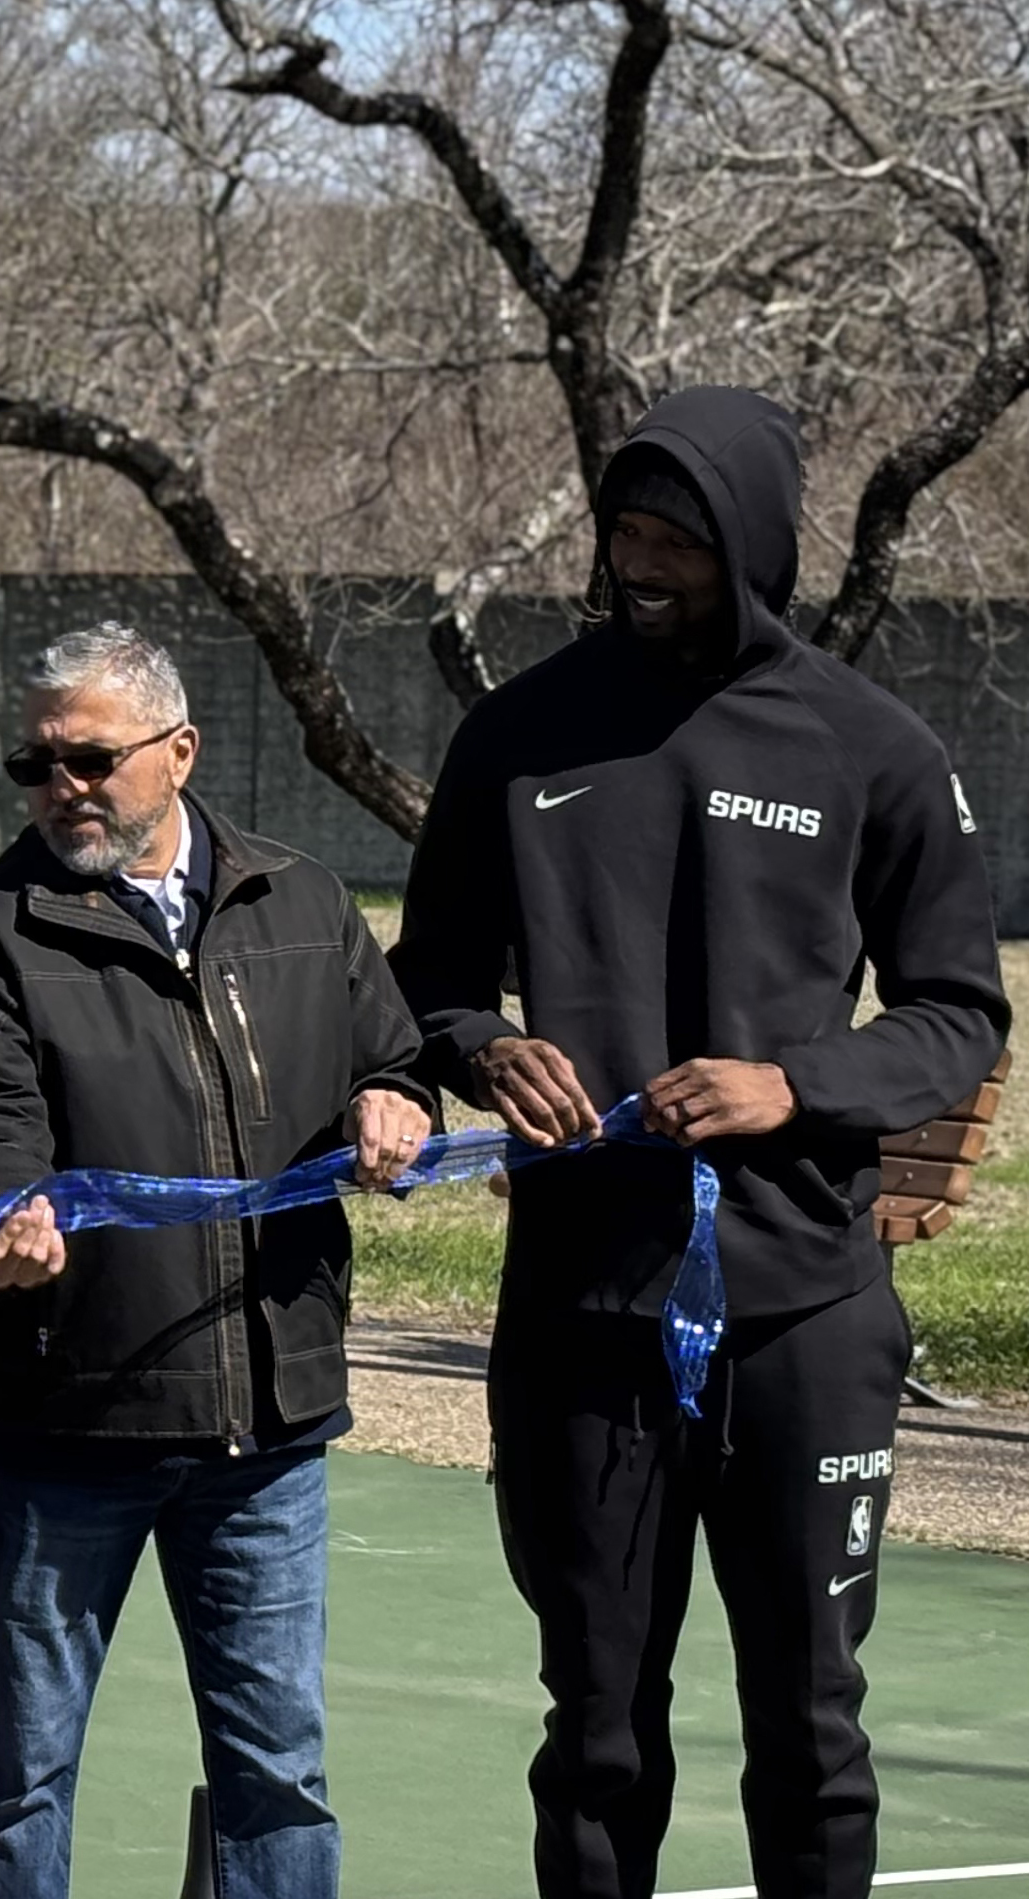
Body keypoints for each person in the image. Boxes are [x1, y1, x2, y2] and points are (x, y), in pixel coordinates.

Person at [391, 387, 1009, 1899]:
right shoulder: (519, 730)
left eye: (680, 537)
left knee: (806, 1726)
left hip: (803, 1312)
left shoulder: (865, 743)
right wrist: (482, 1045)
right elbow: (424, 980)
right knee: (595, 1725)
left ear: (755, 544)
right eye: (626, 532)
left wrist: (785, 1085)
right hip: (579, 1313)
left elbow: (952, 1015)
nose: (643, 563)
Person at [0, 623, 432, 1899]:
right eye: (33, 765)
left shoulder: (301, 900)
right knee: (23, 1769)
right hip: (67, 1425)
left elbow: (393, 1055)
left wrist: (396, 1104)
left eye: (87, 757)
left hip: (268, 1425)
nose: (59, 788)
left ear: (178, 751)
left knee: (278, 1770)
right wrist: (7, 1205)